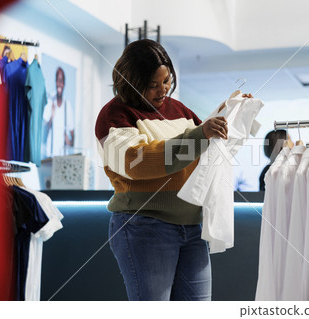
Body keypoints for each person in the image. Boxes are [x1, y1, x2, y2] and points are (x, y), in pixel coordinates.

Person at [95, 39, 243, 301]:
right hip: (145, 227)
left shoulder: (180, 110)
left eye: (167, 81)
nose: (162, 90)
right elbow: (136, 161)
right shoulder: (114, 115)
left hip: (192, 229)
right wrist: (200, 135)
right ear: (130, 80)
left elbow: (202, 145)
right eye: (152, 85)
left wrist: (228, 112)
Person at [42, 67, 74, 158]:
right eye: (57, 80)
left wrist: (69, 142)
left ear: (64, 83)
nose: (59, 84)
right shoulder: (49, 101)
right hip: (48, 156)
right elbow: (43, 134)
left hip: (62, 158)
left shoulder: (67, 106)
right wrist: (51, 116)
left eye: (61, 81)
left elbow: (72, 135)